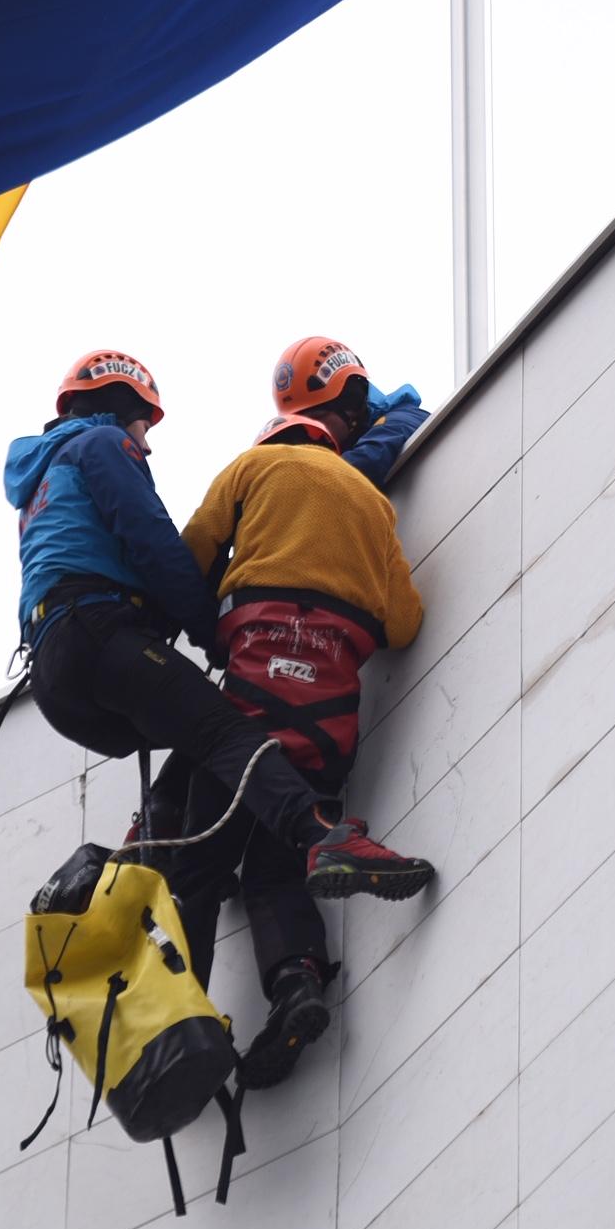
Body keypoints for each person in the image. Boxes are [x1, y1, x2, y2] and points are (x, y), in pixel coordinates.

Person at [5, 348, 434, 998]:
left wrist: (216, 627)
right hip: (103, 634)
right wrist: (211, 632)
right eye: (143, 424)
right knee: (225, 734)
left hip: (54, 673)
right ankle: (325, 836)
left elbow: (192, 545)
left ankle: (145, 870)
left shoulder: (41, 479)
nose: (144, 440)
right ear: (123, 408)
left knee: (195, 739)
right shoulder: (102, 445)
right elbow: (155, 545)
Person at [166, 336, 431, 1089]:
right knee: (278, 866)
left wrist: (205, 620)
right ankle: (297, 981)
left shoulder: (250, 469)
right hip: (330, 713)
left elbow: (188, 558)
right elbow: (405, 622)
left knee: (203, 863)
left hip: (254, 693)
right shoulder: (370, 501)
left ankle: (180, 1018)